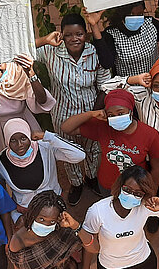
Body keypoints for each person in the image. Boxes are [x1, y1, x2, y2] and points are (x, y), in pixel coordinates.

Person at [99, 57, 159, 230]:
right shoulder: (142, 96)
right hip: (151, 159)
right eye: (156, 85)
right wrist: (134, 79)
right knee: (151, 187)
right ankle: (152, 216)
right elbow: (106, 86)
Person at [35, 13, 111, 205]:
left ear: (85, 34)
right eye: (69, 35)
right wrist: (44, 39)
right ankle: (76, 183)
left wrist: (93, 116)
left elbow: (104, 85)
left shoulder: (95, 53)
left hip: (92, 110)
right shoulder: (51, 52)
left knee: (93, 149)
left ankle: (91, 177)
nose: (74, 39)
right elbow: (22, 50)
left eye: (79, 34)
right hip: (62, 113)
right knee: (68, 149)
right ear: (61, 35)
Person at [61, 89, 159, 195]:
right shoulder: (102, 127)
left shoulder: (150, 135)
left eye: (120, 113)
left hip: (135, 189)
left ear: (131, 111)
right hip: (107, 186)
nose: (116, 117)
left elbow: (156, 167)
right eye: (111, 115)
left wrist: (152, 193)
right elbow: (66, 128)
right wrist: (91, 114)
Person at [0, 118, 85, 224]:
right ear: (7, 141)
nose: (19, 144)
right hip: (26, 211)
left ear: (29, 136)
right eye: (13, 140)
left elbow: (79, 155)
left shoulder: (45, 147)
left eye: (23, 138)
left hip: (54, 207)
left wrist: (48, 136)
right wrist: (15, 215)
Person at [86, 0, 159, 77]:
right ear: (122, 15)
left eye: (140, 14)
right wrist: (94, 26)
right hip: (127, 88)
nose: (136, 18)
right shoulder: (112, 33)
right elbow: (107, 63)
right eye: (131, 15)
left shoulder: (150, 25)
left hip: (153, 84)